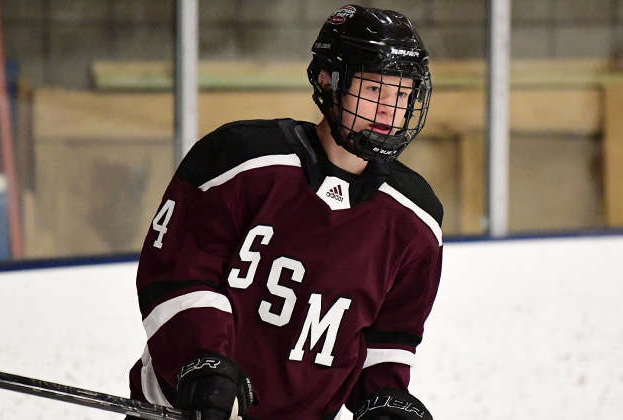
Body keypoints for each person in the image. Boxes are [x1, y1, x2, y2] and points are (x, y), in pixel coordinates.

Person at [126, 4, 442, 420]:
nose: (389, 109)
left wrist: (383, 399)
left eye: (402, 93)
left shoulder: (415, 219)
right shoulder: (240, 160)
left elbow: (386, 339)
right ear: (329, 81)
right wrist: (204, 364)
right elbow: (178, 274)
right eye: (374, 89)